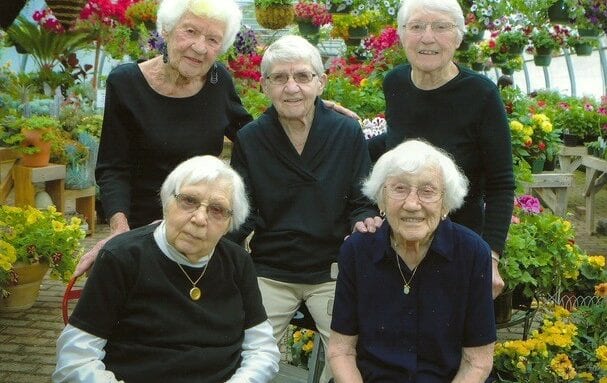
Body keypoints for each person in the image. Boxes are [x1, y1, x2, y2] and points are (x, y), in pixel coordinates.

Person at [76, 0, 355, 276]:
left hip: (198, 223)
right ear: (167, 29)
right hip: (143, 225)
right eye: (190, 32)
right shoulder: (126, 82)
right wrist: (120, 231)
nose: (200, 47)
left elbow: (255, 136)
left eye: (212, 39)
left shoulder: (217, 80)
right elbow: (113, 167)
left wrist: (308, 107)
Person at [228, 35, 381, 382]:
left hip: (332, 271)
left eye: (302, 76)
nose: (291, 87)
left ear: (320, 82)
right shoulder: (251, 139)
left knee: (352, 358)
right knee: (246, 356)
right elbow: (244, 212)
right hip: (270, 271)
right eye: (279, 78)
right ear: (265, 85)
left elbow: (362, 200)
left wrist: (363, 222)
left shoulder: (345, 132)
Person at [53, 155, 281, 383]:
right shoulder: (122, 257)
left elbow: (262, 348)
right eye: (189, 200)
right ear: (166, 203)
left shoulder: (237, 262)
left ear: (230, 224)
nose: (200, 218)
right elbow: (75, 360)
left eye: (217, 210)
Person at [369, 0, 514, 298]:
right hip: (402, 236)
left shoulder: (481, 94)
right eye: (417, 26)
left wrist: (491, 256)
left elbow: (501, 183)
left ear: (459, 37)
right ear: (401, 34)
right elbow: (396, 144)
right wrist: (331, 123)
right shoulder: (395, 82)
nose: (427, 37)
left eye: (441, 27)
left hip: (459, 241)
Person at [328, 140, 496, 382]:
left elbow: (477, 362)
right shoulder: (357, 251)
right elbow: (341, 350)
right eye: (399, 189)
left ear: (445, 204)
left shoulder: (472, 253)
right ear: (382, 200)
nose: (412, 204)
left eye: (427, 191)